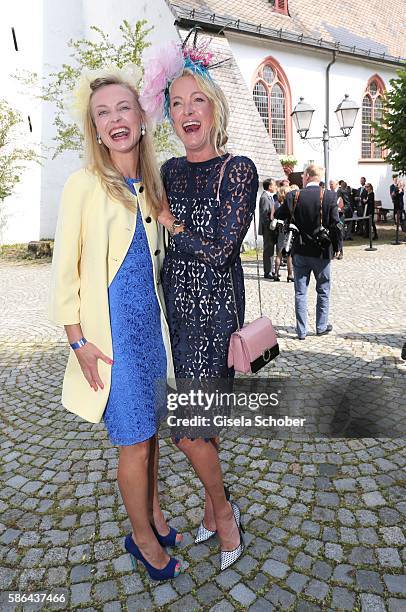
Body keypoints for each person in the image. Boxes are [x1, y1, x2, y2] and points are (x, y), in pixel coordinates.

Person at [49, 66, 182, 582]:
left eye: (123, 108)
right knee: (134, 439)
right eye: (103, 113)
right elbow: (65, 269)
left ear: (141, 117)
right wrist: (76, 340)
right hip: (111, 338)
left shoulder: (150, 182)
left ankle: (155, 513)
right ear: (96, 127)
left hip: (149, 328)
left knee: (151, 431)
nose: (114, 119)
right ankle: (141, 538)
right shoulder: (84, 184)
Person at [140, 33, 258, 571]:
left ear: (215, 109)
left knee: (187, 433)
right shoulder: (167, 172)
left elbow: (218, 250)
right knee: (201, 428)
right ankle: (215, 510)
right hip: (178, 315)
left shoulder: (239, 170)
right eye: (178, 102)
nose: (188, 111)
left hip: (216, 313)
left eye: (198, 100)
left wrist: (169, 221)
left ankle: (225, 511)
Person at [276, 164, 341, 340]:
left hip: (300, 250)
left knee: (300, 292)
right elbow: (336, 225)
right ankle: (321, 326)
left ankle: (301, 331)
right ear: (319, 178)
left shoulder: (293, 195)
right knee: (323, 290)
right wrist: (337, 248)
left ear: (306, 176)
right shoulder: (329, 196)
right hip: (322, 251)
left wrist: (292, 216)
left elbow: (279, 215)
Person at [273, 185, 294, 282]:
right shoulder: (290, 204)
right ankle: (290, 275)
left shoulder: (278, 204)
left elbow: (275, 215)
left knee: (279, 253)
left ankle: (276, 274)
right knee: (289, 254)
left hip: (281, 230)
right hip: (288, 230)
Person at [259, 178, 279, 278]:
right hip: (268, 228)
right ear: (270, 186)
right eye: (274, 185)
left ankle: (271, 270)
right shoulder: (264, 198)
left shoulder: (269, 197)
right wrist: (270, 227)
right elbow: (264, 215)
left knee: (271, 249)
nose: (276, 186)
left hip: (271, 228)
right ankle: (268, 272)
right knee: (268, 250)